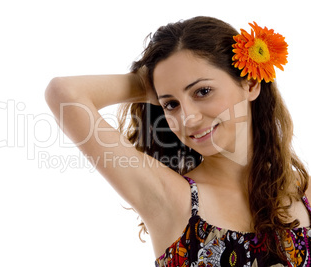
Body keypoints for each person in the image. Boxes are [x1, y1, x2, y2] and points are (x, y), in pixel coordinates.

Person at [45, 16, 310, 266]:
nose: (188, 118)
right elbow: (65, 93)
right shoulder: (172, 199)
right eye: (171, 104)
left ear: (251, 84)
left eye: (202, 91)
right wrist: (143, 84)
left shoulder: (303, 191)